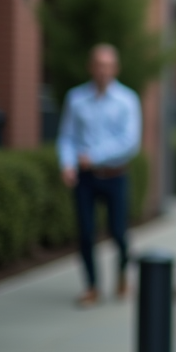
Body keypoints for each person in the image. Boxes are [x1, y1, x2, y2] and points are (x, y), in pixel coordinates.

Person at [56, 44, 142, 308]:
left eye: (108, 65)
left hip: (115, 175)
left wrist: (94, 155)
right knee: (85, 232)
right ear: (91, 67)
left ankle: (122, 274)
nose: (103, 70)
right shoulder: (76, 99)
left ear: (115, 68)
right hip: (85, 177)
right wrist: (67, 164)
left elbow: (130, 142)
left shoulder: (127, 100)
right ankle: (91, 286)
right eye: (98, 64)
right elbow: (67, 136)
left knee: (118, 232)